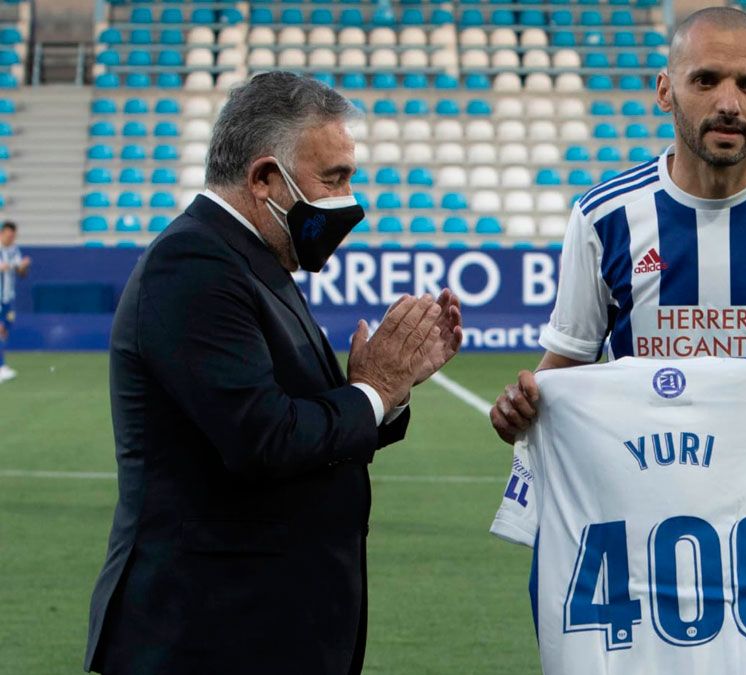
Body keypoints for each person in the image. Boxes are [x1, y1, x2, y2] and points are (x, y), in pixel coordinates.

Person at [488, 7, 746, 675]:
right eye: (706, 79)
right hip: (641, 543)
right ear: (666, 90)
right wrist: (518, 411)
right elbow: (556, 378)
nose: (728, 103)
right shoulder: (605, 219)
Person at [85, 72, 463, 675]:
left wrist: (379, 395)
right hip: (209, 635)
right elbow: (263, 437)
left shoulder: (250, 259)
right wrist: (372, 391)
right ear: (264, 178)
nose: (347, 201)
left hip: (262, 628)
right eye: (333, 178)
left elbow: (297, 416)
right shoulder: (195, 264)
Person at [0, 220, 30, 382]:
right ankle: (1, 366)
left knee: (4, 330)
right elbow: (3, 267)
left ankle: (2, 365)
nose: (11, 238)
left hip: (8, 298)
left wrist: (23, 266)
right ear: (2, 233)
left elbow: (21, 274)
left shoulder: (14, 250)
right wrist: (15, 264)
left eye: (13, 236)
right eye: (9, 235)